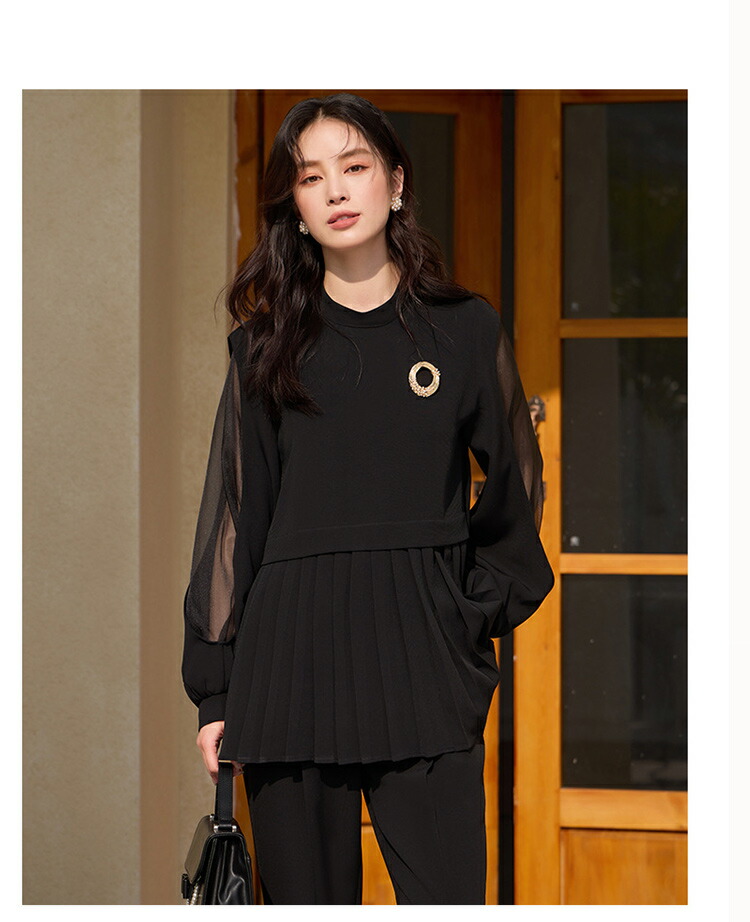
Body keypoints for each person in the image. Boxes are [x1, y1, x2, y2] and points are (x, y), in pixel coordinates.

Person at [181, 92, 554, 905]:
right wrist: (217, 691)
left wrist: (460, 611)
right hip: (287, 675)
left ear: (395, 181)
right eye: (312, 177)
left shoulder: (464, 330)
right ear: (296, 205)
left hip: (425, 670)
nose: (338, 191)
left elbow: (516, 491)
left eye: (354, 167)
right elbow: (237, 522)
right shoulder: (264, 347)